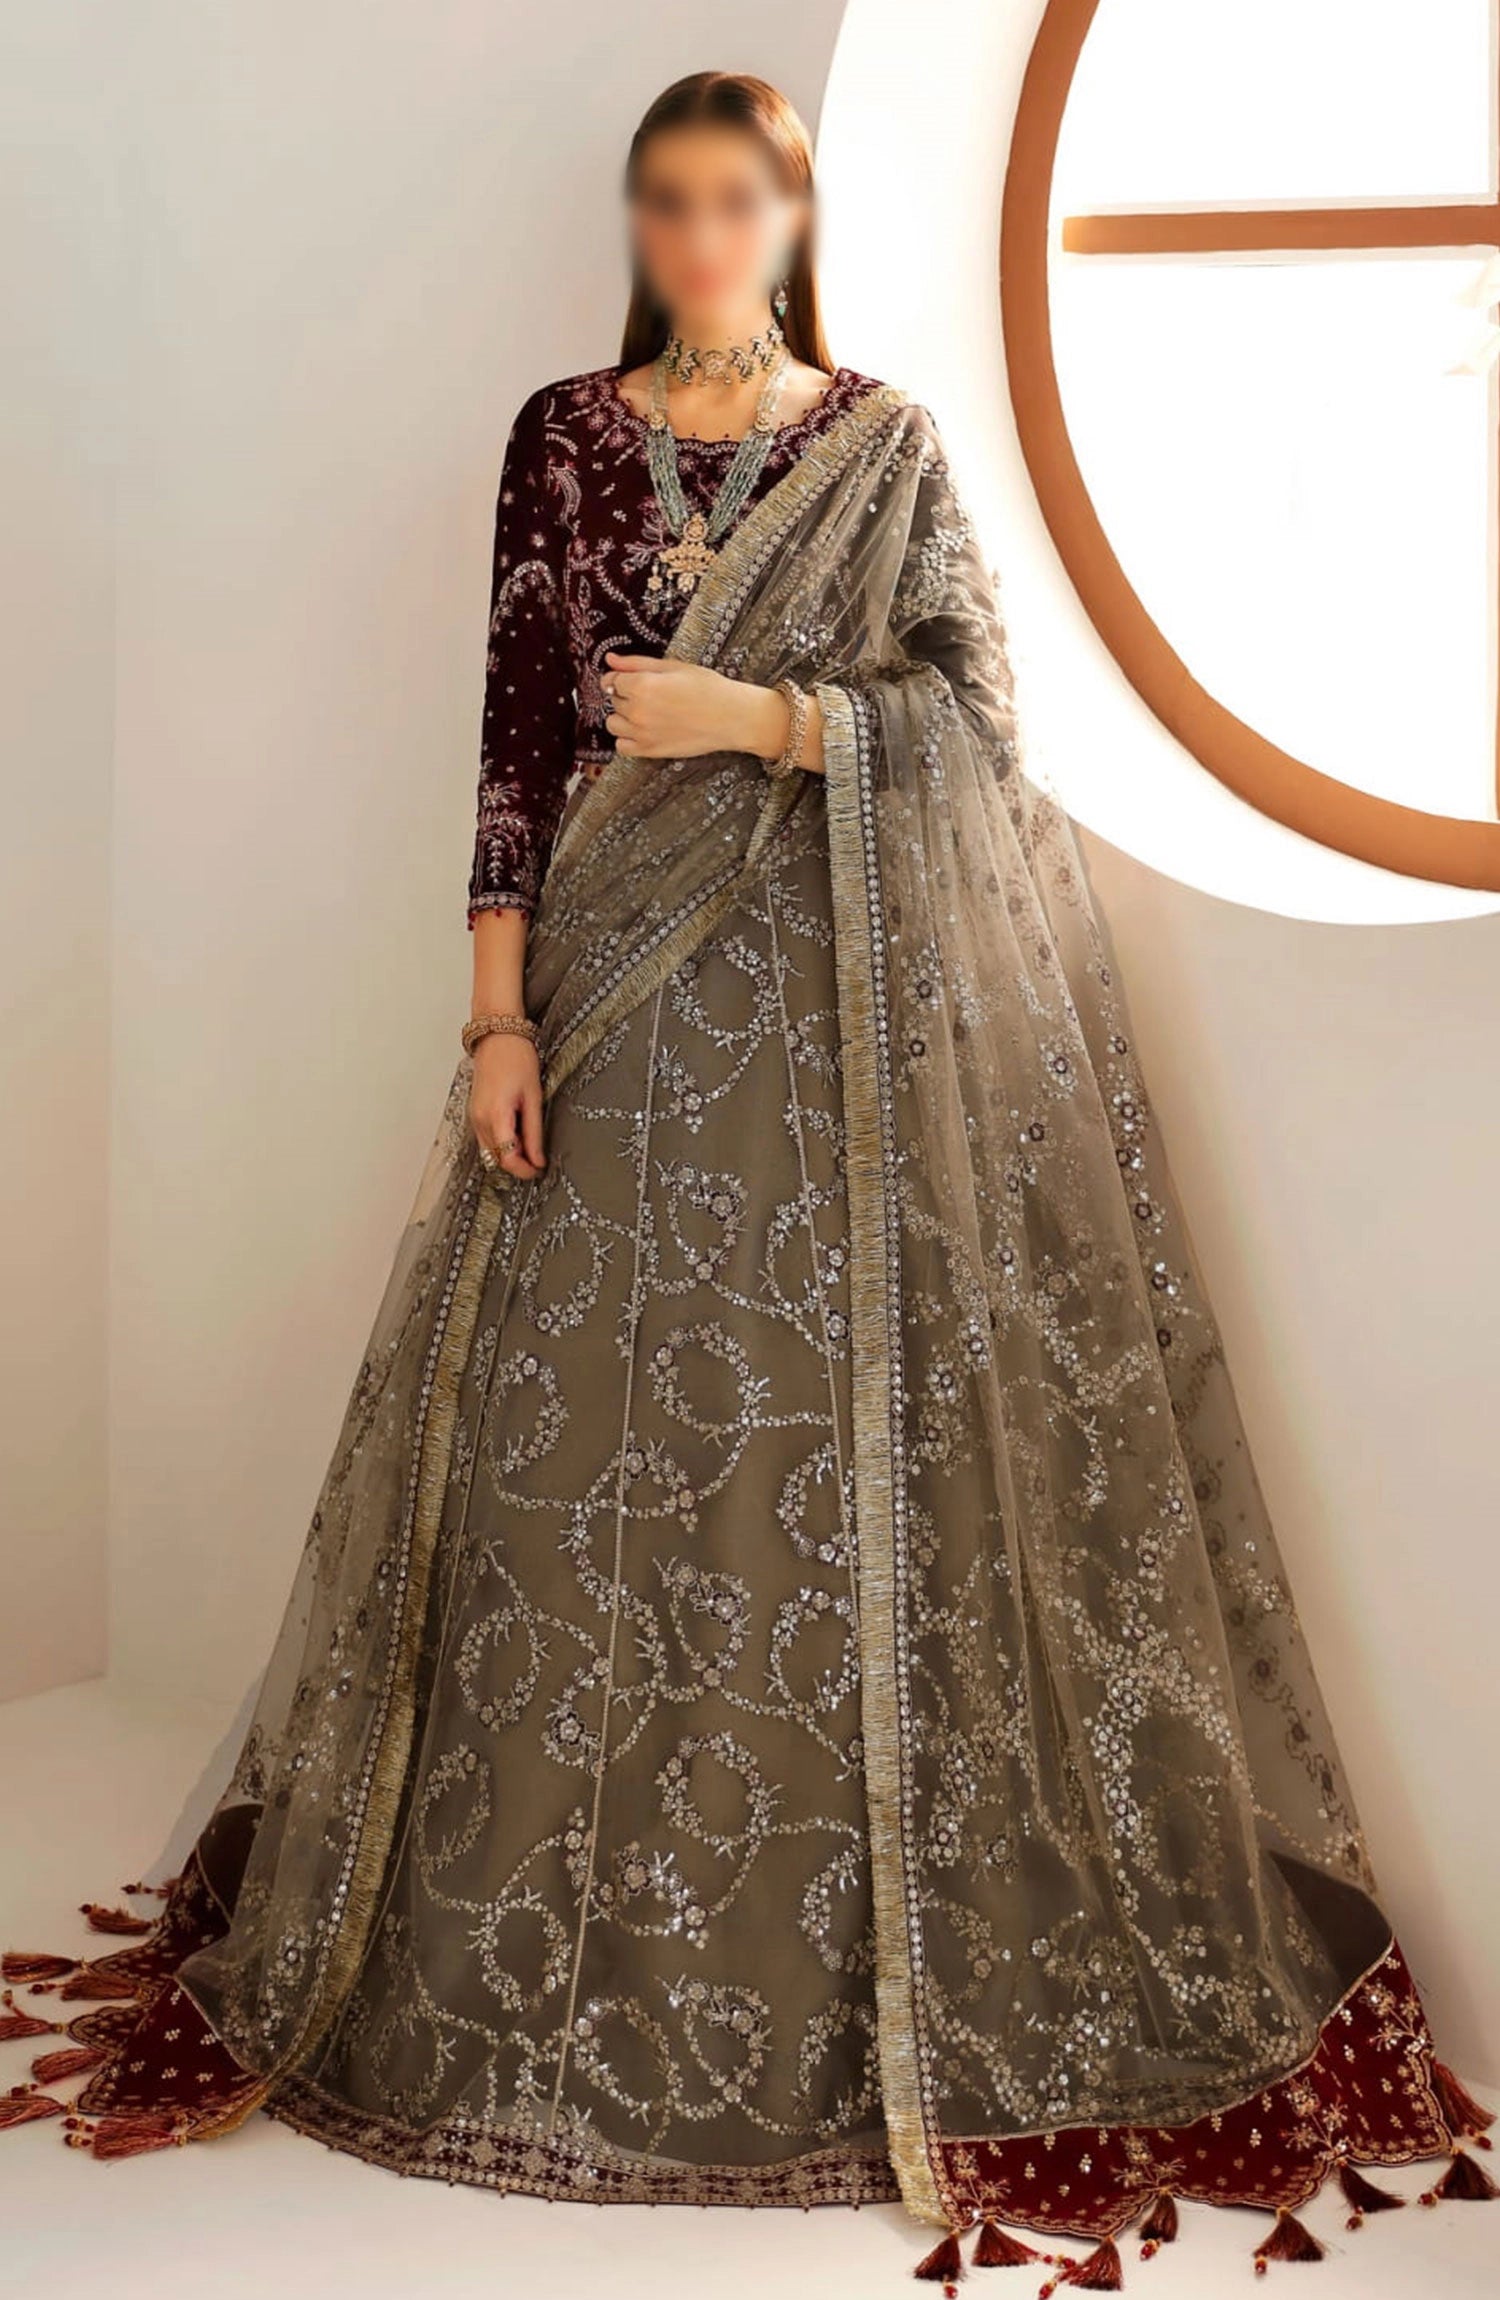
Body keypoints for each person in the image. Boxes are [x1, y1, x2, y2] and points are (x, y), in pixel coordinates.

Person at [2, 66, 1493, 2295]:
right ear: (641, 222)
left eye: (741, 199)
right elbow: (514, 745)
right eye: (670, 201)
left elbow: (980, 721)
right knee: (570, 1444)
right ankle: (561, 1910)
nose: (705, 236)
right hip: (611, 995)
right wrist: (497, 1020)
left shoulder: (884, 443)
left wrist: (769, 725)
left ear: (794, 218)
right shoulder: (563, 436)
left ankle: (818, 1941)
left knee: (815, 1444)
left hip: (833, 1033)